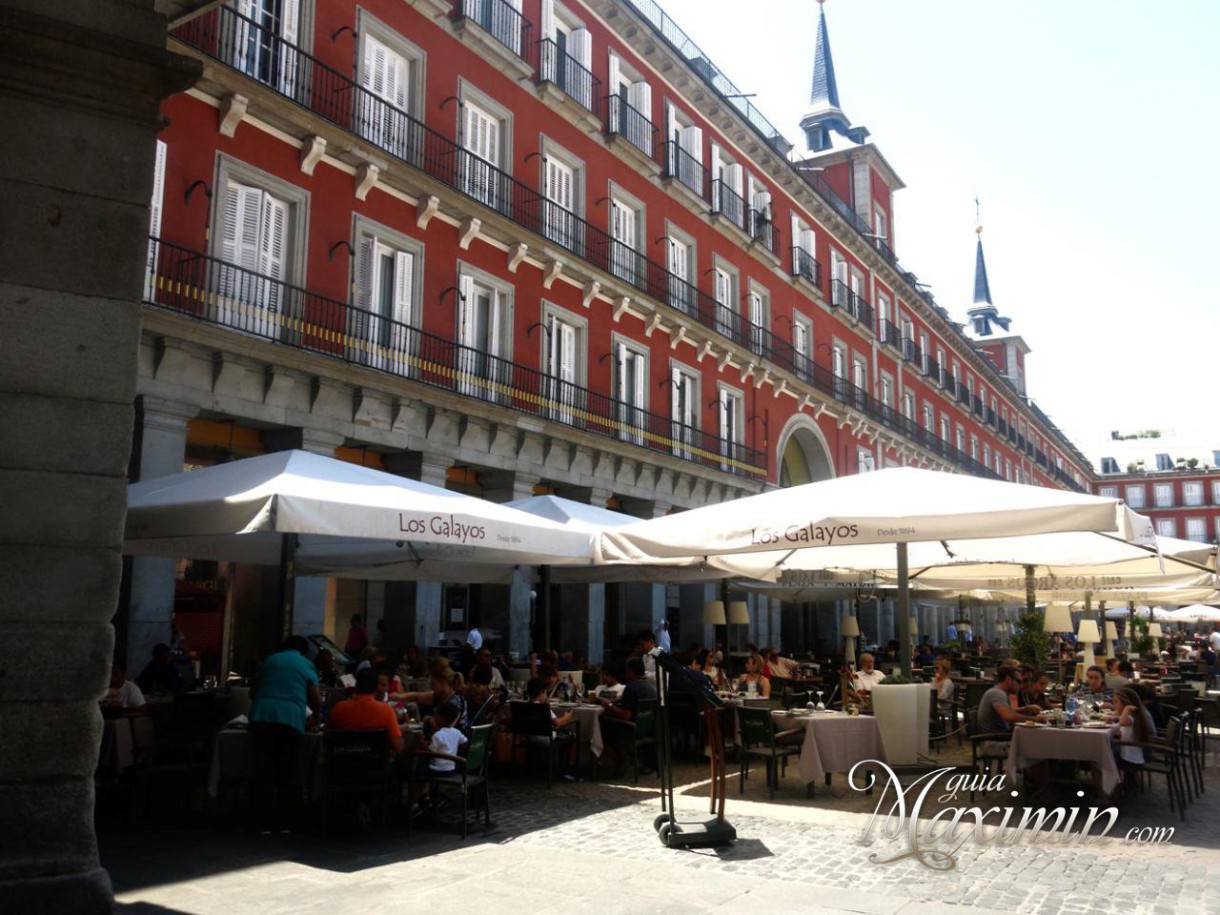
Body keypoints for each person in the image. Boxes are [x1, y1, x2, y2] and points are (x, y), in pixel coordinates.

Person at [248, 636, 322, 833]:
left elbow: (253, 692)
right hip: (289, 719)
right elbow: (316, 699)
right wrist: (316, 716)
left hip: (261, 716)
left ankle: (260, 820)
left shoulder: (270, 660)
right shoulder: (306, 664)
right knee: (287, 769)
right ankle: (285, 821)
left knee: (263, 768)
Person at [328, 667, 404, 756]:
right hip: (375, 767)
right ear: (376, 687)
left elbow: (328, 739)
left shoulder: (339, 708)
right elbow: (398, 747)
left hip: (342, 766)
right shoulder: (386, 711)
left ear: (356, 685)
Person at [398, 659, 468, 736]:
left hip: (452, 743)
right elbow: (416, 696)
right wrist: (398, 697)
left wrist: (428, 720)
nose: (431, 688)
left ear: (443, 682)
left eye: (433, 684)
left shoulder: (456, 702)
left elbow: (446, 730)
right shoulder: (439, 696)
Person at [978, 664, 1045, 733]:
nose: (1020, 685)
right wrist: (1035, 719)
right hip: (995, 739)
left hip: (1001, 736)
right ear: (1008, 679)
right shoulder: (997, 693)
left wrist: (1025, 709)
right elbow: (1008, 716)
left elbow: (1008, 711)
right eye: (1018, 681)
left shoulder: (999, 693)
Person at [1111, 686, 1156, 769]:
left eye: (1116, 702)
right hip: (1127, 752)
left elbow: (1122, 722)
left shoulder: (1132, 718)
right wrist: (1115, 714)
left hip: (1130, 757)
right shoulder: (1133, 716)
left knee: (1105, 753)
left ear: (1125, 703)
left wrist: (1126, 709)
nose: (1114, 705)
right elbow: (1117, 719)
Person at [600, 657, 657, 723]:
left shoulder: (631, 687)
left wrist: (609, 705)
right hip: (647, 730)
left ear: (630, 671)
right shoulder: (651, 687)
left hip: (630, 728)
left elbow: (625, 716)